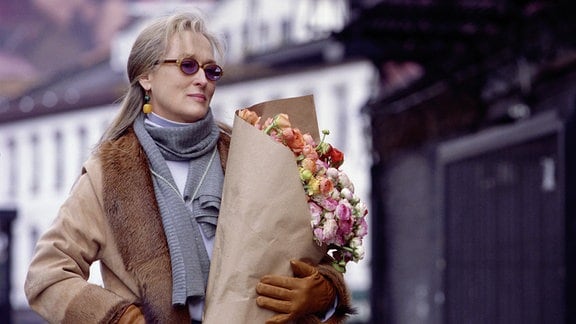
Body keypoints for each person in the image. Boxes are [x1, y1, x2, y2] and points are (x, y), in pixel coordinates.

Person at [24, 11, 353, 323]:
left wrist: (324, 295)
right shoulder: (108, 174)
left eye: (211, 71)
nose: (202, 79)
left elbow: (305, 254)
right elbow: (47, 275)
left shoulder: (252, 153)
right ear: (146, 76)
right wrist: (123, 318)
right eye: (187, 65)